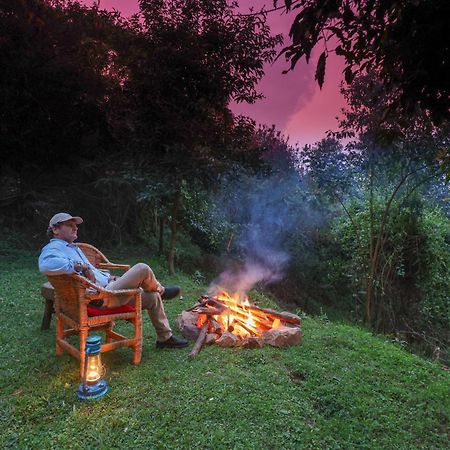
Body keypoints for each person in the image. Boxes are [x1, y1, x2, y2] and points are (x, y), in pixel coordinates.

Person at [38, 212, 188, 349]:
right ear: (55, 230)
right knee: (142, 268)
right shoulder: (54, 248)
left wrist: (110, 277)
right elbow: (45, 264)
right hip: (99, 297)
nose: (75, 228)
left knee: (152, 297)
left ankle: (164, 338)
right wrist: (81, 266)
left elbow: (93, 273)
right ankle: (161, 290)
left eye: (76, 225)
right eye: (70, 225)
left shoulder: (73, 248)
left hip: (109, 289)